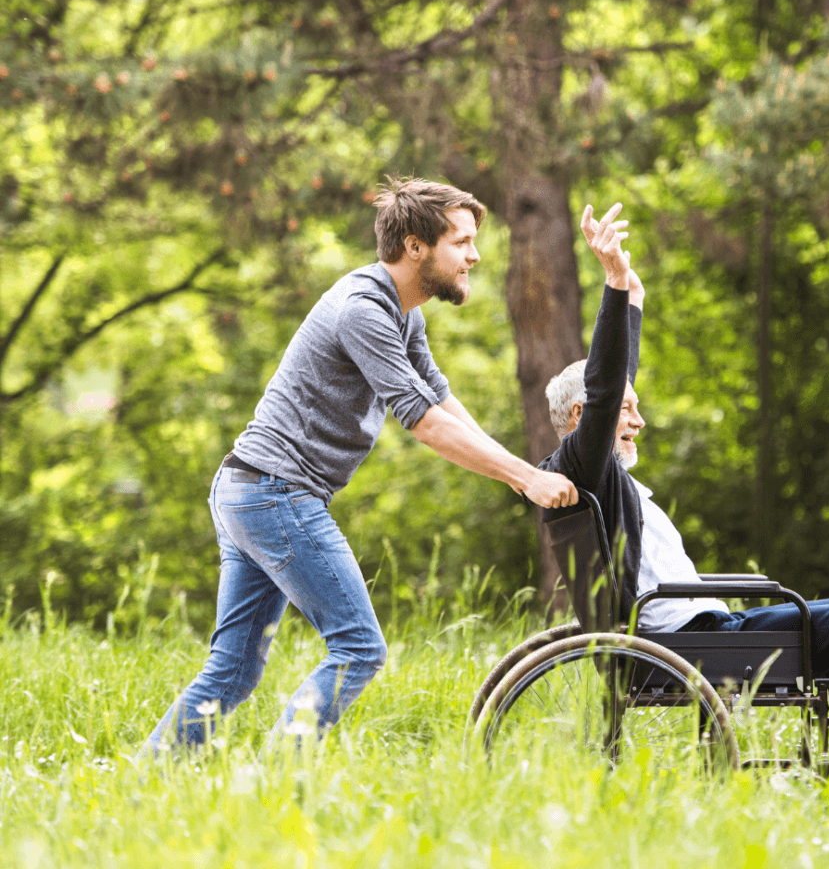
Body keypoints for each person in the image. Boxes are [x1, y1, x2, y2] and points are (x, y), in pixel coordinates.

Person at [141, 178, 577, 757]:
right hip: (275, 492)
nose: (474, 255)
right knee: (358, 648)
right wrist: (527, 480)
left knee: (236, 668)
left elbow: (442, 400)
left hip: (248, 488)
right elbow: (422, 422)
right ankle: (274, 784)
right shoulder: (363, 310)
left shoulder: (403, 314)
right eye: (462, 242)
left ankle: (150, 776)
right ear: (416, 246)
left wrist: (527, 470)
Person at [540, 201, 829, 762]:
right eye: (625, 410)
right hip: (692, 644)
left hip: (704, 633)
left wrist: (631, 296)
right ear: (581, 419)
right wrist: (614, 284)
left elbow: (613, 381)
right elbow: (607, 385)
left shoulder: (601, 479)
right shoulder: (585, 467)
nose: (637, 420)